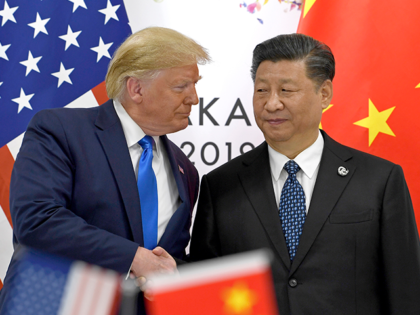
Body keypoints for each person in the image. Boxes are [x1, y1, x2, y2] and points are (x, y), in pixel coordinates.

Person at [190, 33, 420, 315]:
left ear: (324, 94)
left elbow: (406, 291)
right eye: (262, 90)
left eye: (286, 91)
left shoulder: (379, 180)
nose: (272, 104)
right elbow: (205, 290)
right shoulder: (220, 185)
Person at [0, 27, 210, 314]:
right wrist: (133, 257)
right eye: (181, 86)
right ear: (136, 88)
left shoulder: (186, 170)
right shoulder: (60, 130)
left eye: (195, 85)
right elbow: (37, 219)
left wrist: (174, 271)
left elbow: (167, 258)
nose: (194, 98)